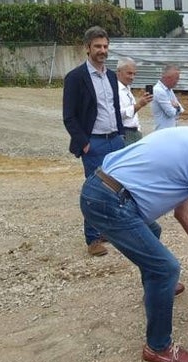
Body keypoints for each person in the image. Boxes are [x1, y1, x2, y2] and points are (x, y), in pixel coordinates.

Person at [79, 124, 188, 362]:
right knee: (165, 269)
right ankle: (157, 347)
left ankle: (158, 291)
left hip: (101, 190)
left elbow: (184, 215)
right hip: (110, 200)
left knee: (153, 232)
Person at [63, 26, 126, 257]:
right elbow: (69, 116)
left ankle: (109, 230)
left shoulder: (110, 76)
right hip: (94, 143)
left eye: (105, 46)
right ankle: (92, 239)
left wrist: (121, 134)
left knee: (118, 187)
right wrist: (84, 143)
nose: (102, 50)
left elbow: (115, 108)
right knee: (94, 190)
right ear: (87, 48)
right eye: (98, 46)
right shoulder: (76, 77)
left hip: (115, 141)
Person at [116, 57, 153, 146]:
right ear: (119, 72)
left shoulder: (127, 88)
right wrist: (139, 105)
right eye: (129, 73)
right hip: (124, 134)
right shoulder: (115, 90)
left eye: (134, 74)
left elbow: (133, 116)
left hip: (135, 133)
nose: (132, 77)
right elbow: (117, 115)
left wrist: (138, 130)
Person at [151, 64, 185, 131]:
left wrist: (177, 106)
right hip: (162, 131)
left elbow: (181, 109)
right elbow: (171, 113)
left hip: (170, 129)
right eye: (176, 78)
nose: (178, 81)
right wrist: (176, 107)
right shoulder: (159, 90)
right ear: (168, 78)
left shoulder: (169, 90)